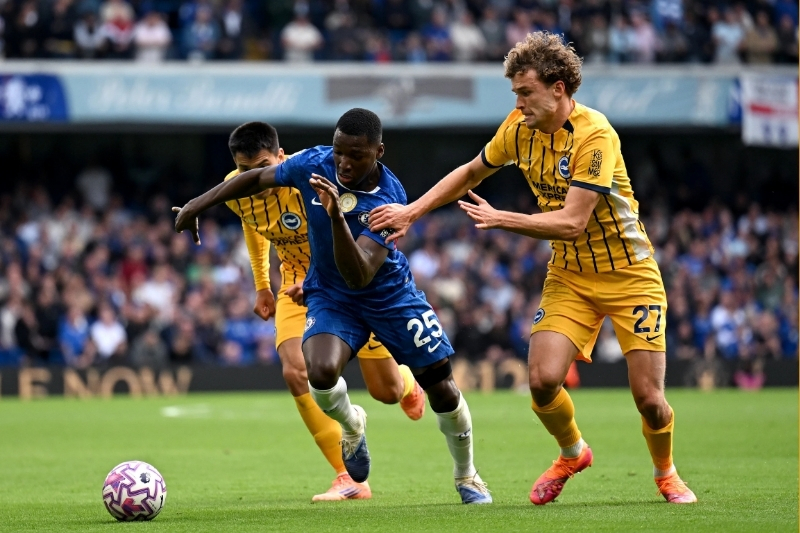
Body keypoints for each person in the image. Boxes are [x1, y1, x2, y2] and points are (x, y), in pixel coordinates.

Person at [369, 32, 696, 505]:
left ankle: (666, 473)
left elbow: (572, 222)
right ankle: (573, 452)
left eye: (526, 92)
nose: (518, 103)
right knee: (542, 382)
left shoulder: (596, 136)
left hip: (630, 274)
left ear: (558, 88)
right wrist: (412, 211)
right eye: (515, 93)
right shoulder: (518, 128)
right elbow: (471, 172)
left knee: (649, 398)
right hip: (570, 274)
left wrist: (501, 218)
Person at [173, 109, 491, 504]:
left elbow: (360, 274)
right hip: (327, 291)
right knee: (315, 372)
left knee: (424, 389)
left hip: (385, 295)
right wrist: (195, 206)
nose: (343, 163)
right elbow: (253, 184)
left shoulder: (388, 199)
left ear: (378, 152)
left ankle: (467, 474)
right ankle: (351, 431)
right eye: (339, 152)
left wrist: (336, 216)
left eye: (355, 155)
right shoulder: (313, 164)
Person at [223, 121, 427, 500]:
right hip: (294, 283)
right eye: (244, 169)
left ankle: (405, 382)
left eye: (261, 166)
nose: (253, 177)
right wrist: (262, 284)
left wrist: (319, 277)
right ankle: (348, 477)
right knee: (296, 371)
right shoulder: (237, 187)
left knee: (385, 391)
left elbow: (350, 229)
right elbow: (252, 223)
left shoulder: (310, 174)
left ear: (280, 157)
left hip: (350, 281)